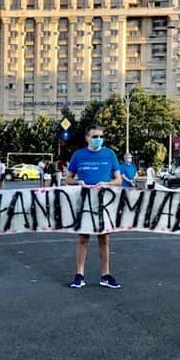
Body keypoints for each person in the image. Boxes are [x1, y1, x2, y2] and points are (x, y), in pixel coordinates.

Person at [65, 124, 122, 290]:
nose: (98, 139)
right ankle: (79, 275)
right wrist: (78, 182)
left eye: (100, 136)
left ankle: (105, 275)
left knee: (104, 239)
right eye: (95, 136)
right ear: (87, 138)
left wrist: (106, 183)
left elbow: (118, 180)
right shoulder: (79, 155)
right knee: (83, 239)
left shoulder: (109, 154)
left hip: (104, 201)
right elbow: (67, 178)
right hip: (84, 201)